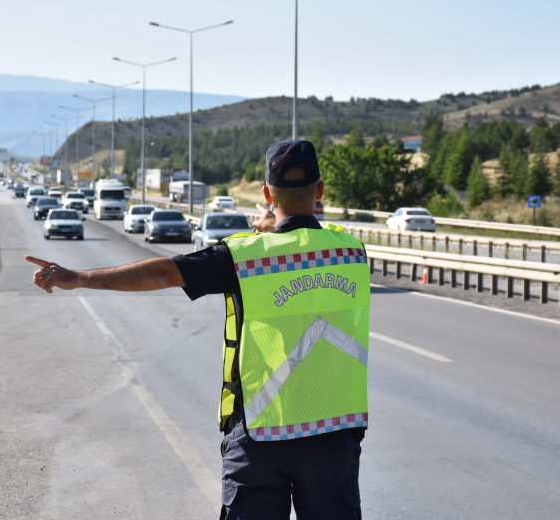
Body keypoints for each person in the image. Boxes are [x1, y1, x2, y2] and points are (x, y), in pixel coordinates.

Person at [26, 140, 370, 519]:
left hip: (260, 438)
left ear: (267, 193)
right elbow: (310, 235)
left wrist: (77, 277)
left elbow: (161, 273)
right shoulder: (351, 251)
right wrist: (278, 223)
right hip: (332, 438)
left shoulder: (245, 256)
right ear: (320, 191)